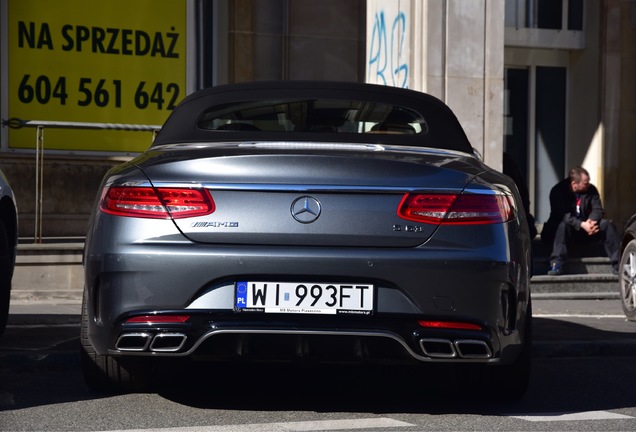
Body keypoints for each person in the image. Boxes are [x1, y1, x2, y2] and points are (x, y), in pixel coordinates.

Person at [541, 166, 620, 276]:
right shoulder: (558, 191)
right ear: (574, 184)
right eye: (585, 183)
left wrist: (591, 221)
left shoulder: (591, 190)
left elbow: (597, 209)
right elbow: (562, 214)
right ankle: (556, 264)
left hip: (588, 227)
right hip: (568, 229)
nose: (588, 184)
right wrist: (581, 224)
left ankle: (618, 265)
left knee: (608, 225)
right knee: (562, 226)